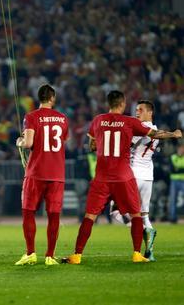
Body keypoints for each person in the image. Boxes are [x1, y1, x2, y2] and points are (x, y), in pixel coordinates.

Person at [65, 91, 182, 264]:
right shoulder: (130, 122)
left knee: (90, 217)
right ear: (123, 104)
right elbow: (155, 134)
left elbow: (91, 145)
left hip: (102, 177)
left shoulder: (97, 120)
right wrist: (173, 134)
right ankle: (136, 253)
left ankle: (77, 255)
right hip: (124, 176)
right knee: (136, 215)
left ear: (109, 103)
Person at [14, 84, 69, 266]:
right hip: (57, 173)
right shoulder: (62, 119)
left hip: (36, 172)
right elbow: (62, 141)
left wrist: (20, 141)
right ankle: (50, 256)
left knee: (28, 212)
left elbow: (29, 143)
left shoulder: (31, 117)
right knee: (54, 215)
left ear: (39, 98)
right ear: (52, 98)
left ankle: (30, 253)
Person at [110, 100, 160, 260]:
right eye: (136, 109)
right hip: (148, 176)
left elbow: (123, 144)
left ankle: (143, 230)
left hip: (133, 175)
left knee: (114, 210)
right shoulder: (156, 130)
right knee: (144, 214)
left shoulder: (140, 129)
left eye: (140, 110)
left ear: (150, 112)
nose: (137, 112)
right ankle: (150, 252)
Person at [169, 143, 184, 223]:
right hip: (174, 181)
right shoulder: (173, 157)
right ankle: (173, 218)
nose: (182, 150)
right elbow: (172, 169)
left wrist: (178, 168)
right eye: (181, 149)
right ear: (178, 149)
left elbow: (177, 169)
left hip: (183, 180)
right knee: (173, 199)